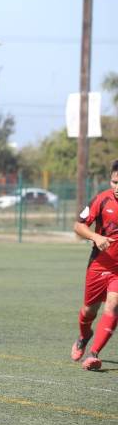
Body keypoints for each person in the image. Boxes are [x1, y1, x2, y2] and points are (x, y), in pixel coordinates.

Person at [71, 159, 118, 371]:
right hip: (99, 265)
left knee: (113, 305)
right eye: (114, 182)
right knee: (89, 310)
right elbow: (78, 226)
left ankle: (93, 354)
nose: (117, 187)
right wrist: (96, 237)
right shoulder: (102, 199)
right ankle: (84, 336)